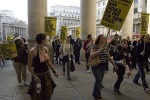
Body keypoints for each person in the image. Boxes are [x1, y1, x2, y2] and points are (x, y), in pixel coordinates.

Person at [27, 33, 58, 100]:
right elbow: (29, 66)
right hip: (38, 76)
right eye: (46, 39)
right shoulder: (33, 51)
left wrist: (54, 71)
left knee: (48, 94)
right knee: (38, 95)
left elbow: (48, 61)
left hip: (47, 75)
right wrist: (35, 77)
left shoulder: (46, 49)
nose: (47, 40)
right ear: (42, 40)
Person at [90, 34, 118, 100]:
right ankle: (94, 94)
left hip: (103, 66)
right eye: (102, 38)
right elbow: (91, 56)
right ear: (99, 39)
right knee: (98, 80)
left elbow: (109, 57)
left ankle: (98, 94)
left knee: (100, 81)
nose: (104, 39)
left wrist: (114, 64)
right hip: (96, 65)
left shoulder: (106, 47)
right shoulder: (95, 46)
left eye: (104, 38)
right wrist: (98, 51)